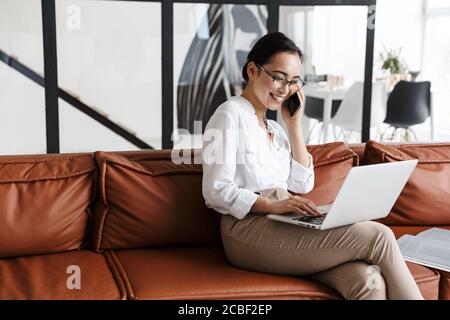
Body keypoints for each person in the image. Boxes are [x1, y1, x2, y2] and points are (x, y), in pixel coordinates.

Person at [201, 32, 423, 300]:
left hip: (283, 221)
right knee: (379, 237)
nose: (285, 89)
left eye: (293, 82)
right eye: (278, 77)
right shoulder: (229, 114)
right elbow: (215, 190)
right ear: (252, 70)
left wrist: (294, 127)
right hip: (247, 229)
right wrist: (273, 205)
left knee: (368, 280)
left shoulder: (275, 128)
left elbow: (302, 184)